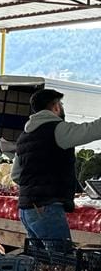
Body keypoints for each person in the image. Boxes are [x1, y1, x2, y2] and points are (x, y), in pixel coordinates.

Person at [12, 89, 101, 242]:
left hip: (27, 210)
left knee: (41, 261)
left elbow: (16, 175)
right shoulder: (57, 129)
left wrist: (36, 184)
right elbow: (91, 130)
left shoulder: (24, 136)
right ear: (55, 107)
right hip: (46, 208)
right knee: (62, 261)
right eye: (60, 103)